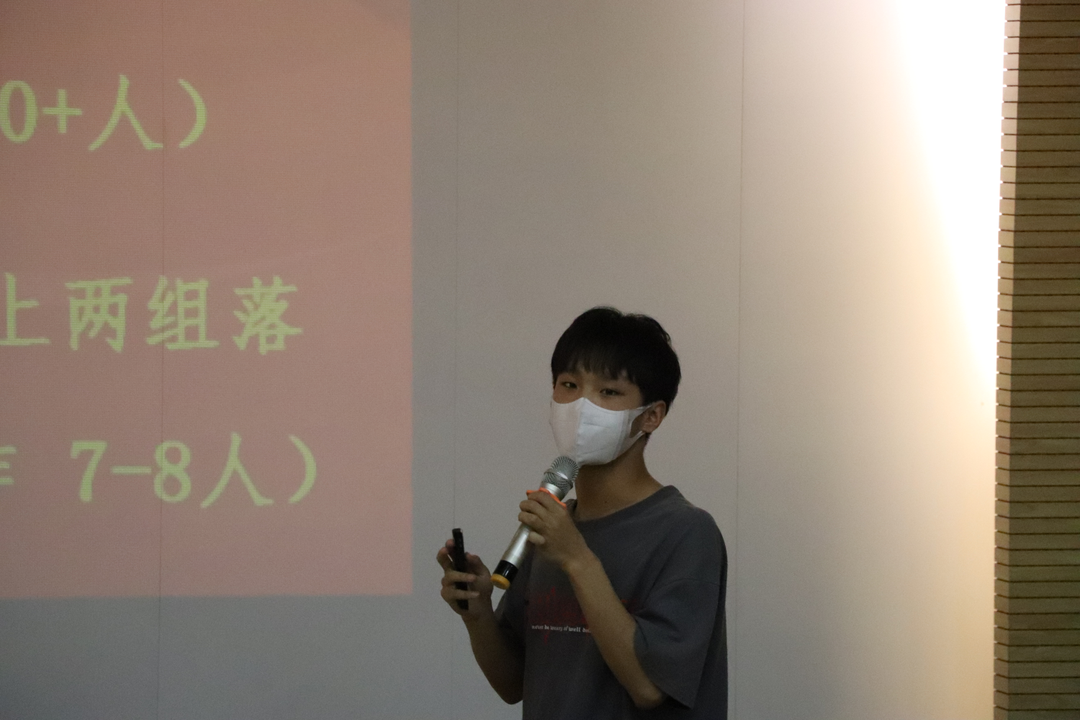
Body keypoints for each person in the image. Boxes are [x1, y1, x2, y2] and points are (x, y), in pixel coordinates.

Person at [436, 307, 727, 719]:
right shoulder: (553, 529)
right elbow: (512, 683)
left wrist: (577, 559)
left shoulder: (685, 532)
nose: (581, 406)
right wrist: (478, 611)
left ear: (651, 416)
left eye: (608, 392)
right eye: (569, 385)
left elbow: (649, 688)